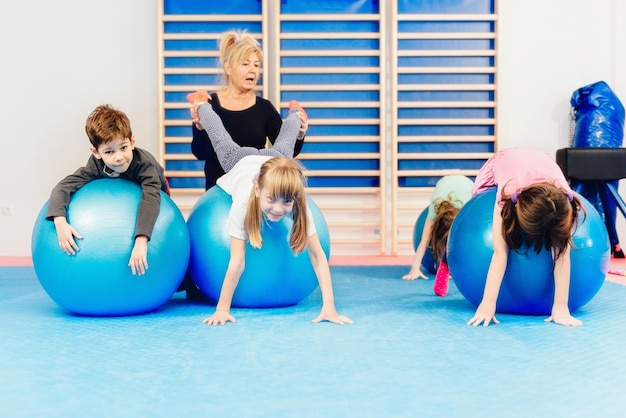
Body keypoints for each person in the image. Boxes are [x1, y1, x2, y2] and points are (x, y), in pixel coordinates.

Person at [187, 90, 352, 326]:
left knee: (287, 138)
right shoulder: (244, 200)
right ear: (257, 190)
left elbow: (318, 256)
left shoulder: (297, 201)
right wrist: (222, 309)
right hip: (239, 160)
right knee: (219, 135)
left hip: (274, 162)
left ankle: (296, 112)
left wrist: (329, 307)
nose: (278, 209)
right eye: (272, 199)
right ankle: (202, 103)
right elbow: (236, 260)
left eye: (286, 201)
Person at [466, 147, 585, 327]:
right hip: (506, 161)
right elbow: (500, 254)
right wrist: (488, 303)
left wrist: (561, 306)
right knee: (476, 197)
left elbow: (562, 253)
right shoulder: (507, 195)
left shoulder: (563, 198)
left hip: (539, 158)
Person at [46, 105, 169, 276]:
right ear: (96, 152)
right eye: (109, 151)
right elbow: (63, 187)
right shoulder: (95, 165)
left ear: (132, 142)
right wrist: (60, 222)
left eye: (123, 148)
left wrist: (141, 241)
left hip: (158, 190)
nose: (118, 157)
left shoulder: (145, 166)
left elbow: (151, 200)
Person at [190, 29, 307, 190]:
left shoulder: (264, 108)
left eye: (256, 65)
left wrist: (299, 134)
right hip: (218, 191)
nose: (253, 70)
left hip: (254, 191)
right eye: (245, 64)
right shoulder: (210, 105)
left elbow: (286, 151)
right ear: (228, 68)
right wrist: (199, 128)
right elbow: (200, 153)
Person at [402, 175, 473, 297]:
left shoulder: (467, 209)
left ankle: (446, 265)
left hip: (468, 185)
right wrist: (415, 268)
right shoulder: (434, 211)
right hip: (445, 182)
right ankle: (445, 265)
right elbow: (424, 240)